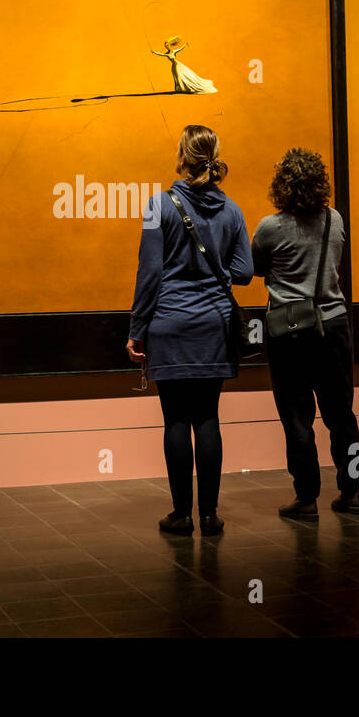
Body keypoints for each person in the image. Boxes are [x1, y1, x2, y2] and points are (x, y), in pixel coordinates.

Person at [126, 125, 252, 536]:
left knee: (175, 420)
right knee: (208, 417)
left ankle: (181, 515)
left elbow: (150, 273)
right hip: (214, 324)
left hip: (169, 323)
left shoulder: (156, 206)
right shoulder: (233, 211)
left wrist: (136, 329)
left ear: (182, 157)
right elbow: (245, 272)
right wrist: (217, 272)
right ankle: (211, 516)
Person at [251, 147, 359, 516]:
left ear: (281, 185)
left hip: (289, 330)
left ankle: (307, 497)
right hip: (333, 325)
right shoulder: (335, 219)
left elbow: (253, 267)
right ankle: (351, 493)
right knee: (341, 414)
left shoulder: (270, 227)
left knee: (297, 416)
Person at [152, 35, 219, 94]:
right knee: (176, 77)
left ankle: (185, 87)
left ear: (169, 46)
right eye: (166, 46)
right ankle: (179, 88)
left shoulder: (174, 51)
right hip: (174, 66)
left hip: (178, 65)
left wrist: (185, 44)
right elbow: (160, 54)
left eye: (167, 45)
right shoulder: (166, 53)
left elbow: (180, 49)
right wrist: (154, 52)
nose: (167, 47)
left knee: (181, 76)